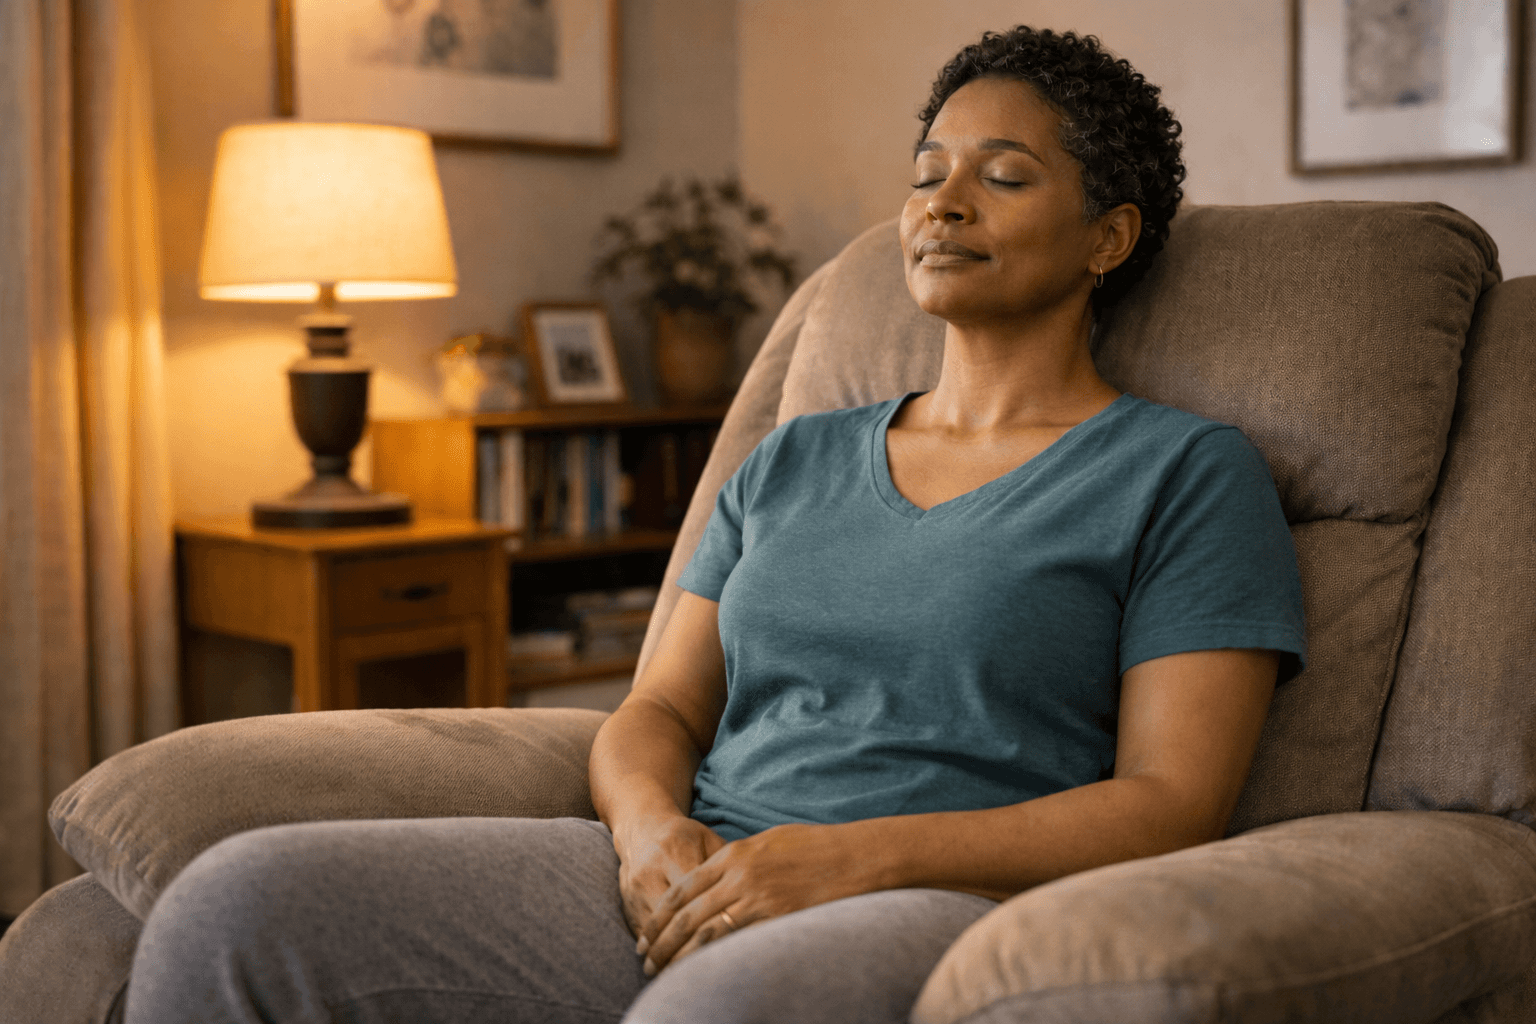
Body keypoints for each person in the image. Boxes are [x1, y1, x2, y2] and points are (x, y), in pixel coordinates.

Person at [124, 25, 1306, 1024]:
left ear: (1110, 237)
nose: (942, 202)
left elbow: (1171, 800)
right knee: (237, 906)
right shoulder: (794, 458)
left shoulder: (1184, 474)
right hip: (691, 868)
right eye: (927, 169)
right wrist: (648, 839)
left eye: (1001, 176)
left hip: (933, 898)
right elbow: (657, 709)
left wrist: (851, 856)